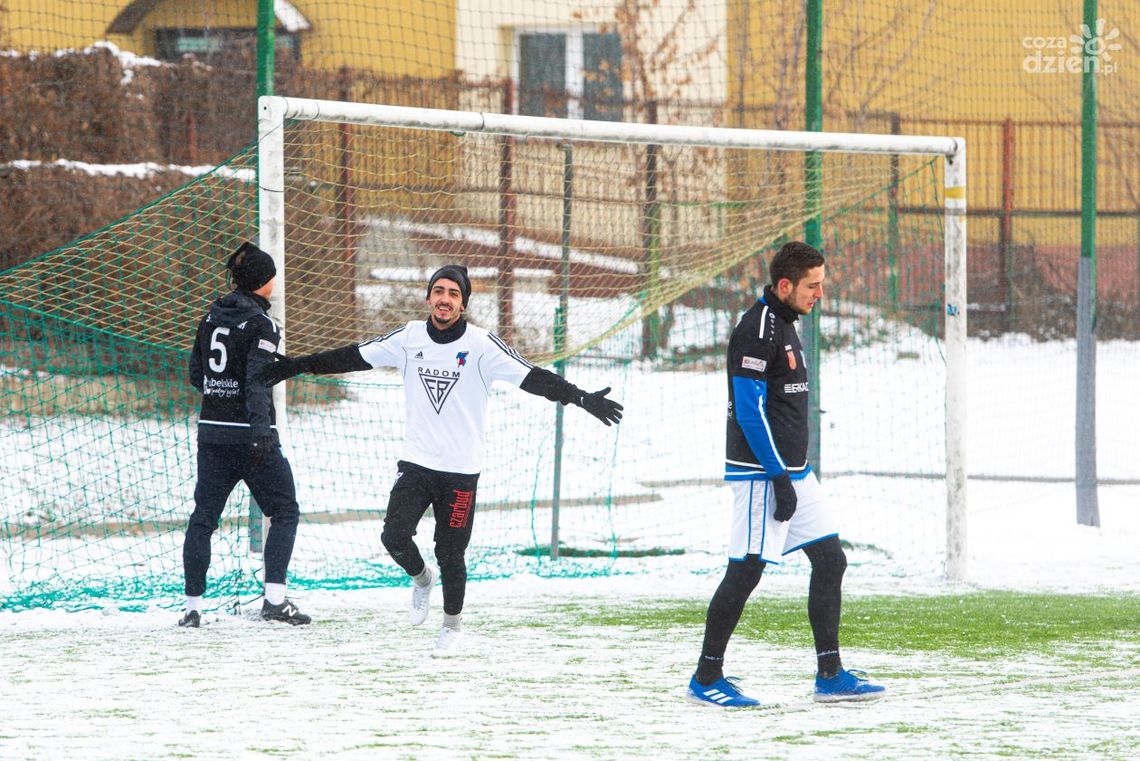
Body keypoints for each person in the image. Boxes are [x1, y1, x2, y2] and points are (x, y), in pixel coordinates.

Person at [258, 264, 622, 655]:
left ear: (463, 304)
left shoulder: (482, 345)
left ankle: (451, 627)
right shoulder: (409, 338)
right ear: (429, 296)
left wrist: (580, 397)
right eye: (439, 291)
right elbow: (353, 356)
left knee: (451, 553)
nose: (444, 299)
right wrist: (297, 365)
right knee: (393, 537)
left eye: (453, 293)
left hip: (461, 470)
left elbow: (534, 377)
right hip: (416, 463)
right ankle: (421, 579)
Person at [686, 241, 885, 707]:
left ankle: (830, 675)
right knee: (746, 570)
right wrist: (777, 477)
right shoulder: (756, 329)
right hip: (762, 474)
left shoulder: (787, 325)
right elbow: (749, 412)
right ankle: (706, 677)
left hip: (796, 472)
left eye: (822, 284)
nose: (820, 294)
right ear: (784, 285)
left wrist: (792, 474)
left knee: (831, 560)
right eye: (812, 286)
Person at [179, 241, 311, 628]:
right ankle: (275, 601)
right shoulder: (263, 325)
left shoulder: (210, 316)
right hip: (253, 438)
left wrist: (221, 400)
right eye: (272, 276)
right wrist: (260, 433)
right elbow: (255, 382)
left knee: (203, 519)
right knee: (285, 510)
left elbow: (196, 374)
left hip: (212, 435)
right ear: (262, 282)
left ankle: (192, 608)